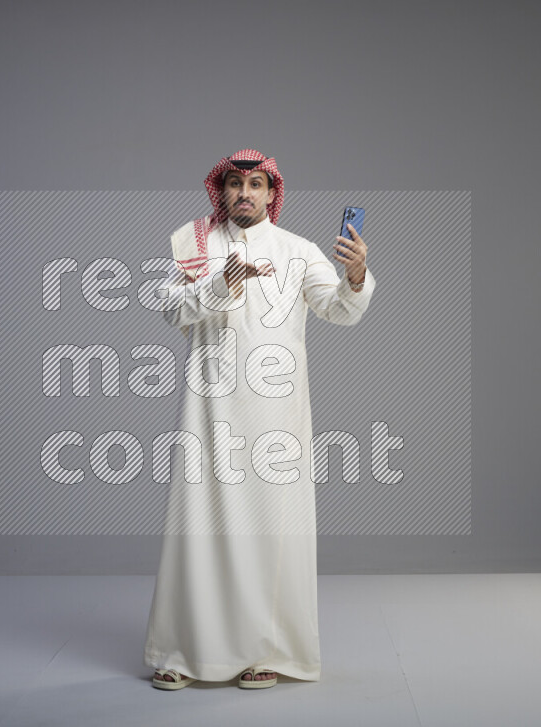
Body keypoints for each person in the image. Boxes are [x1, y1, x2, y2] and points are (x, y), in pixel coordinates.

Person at [143, 149, 376, 690]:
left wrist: (358, 274)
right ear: (220, 191)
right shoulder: (192, 242)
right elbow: (172, 309)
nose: (244, 194)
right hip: (209, 411)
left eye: (255, 184)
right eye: (234, 184)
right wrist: (223, 283)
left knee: (271, 532)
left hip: (276, 418)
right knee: (198, 528)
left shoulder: (299, 251)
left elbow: (339, 309)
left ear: (272, 193)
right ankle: (181, 649)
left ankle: (262, 651)